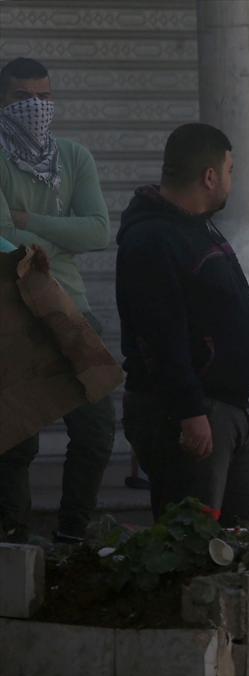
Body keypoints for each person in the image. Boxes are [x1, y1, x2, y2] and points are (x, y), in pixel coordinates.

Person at [116, 123, 249, 526]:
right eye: (231, 171)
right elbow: (159, 337)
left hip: (230, 409)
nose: (231, 181)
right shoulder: (151, 239)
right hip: (194, 415)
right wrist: (189, 412)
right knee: (193, 543)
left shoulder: (196, 226)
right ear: (209, 176)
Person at [0, 57, 114, 542]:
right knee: (17, 438)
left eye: (44, 97)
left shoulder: (73, 157)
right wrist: (24, 231)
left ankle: (74, 534)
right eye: (23, 97)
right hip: (12, 311)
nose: (37, 107)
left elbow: (98, 230)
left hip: (70, 308)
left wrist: (27, 222)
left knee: (96, 428)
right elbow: (1, 233)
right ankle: (13, 542)